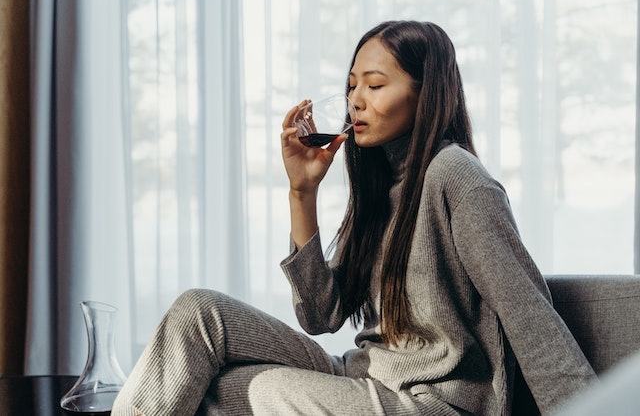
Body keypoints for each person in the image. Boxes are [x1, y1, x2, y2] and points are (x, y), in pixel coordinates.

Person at [112, 20, 597, 416]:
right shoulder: (378, 186)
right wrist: (302, 191)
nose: (356, 100)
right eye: (351, 86)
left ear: (426, 92)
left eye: (376, 84)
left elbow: (531, 317)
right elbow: (320, 315)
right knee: (200, 317)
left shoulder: (456, 175)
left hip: (435, 403)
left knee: (267, 391)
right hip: (362, 377)